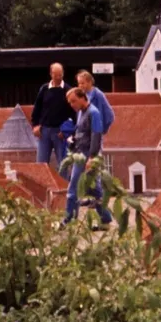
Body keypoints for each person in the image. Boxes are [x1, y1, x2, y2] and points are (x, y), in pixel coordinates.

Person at [63, 87, 113, 226]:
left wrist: (91, 157)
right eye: (70, 102)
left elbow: (96, 136)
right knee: (94, 189)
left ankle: (69, 219)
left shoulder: (94, 113)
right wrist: (72, 139)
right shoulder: (81, 113)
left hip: (87, 155)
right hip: (80, 152)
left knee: (73, 187)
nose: (72, 105)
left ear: (82, 98)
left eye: (73, 101)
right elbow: (81, 131)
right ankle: (106, 218)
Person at [31, 64, 75, 166]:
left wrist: (68, 130)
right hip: (44, 131)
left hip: (60, 132)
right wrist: (35, 125)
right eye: (56, 75)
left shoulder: (68, 90)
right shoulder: (44, 89)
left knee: (63, 164)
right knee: (41, 164)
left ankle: (64, 182)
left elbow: (74, 113)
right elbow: (37, 108)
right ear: (51, 74)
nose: (59, 77)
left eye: (60, 75)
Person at [74, 70, 117, 142]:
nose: (80, 86)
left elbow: (110, 115)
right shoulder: (82, 95)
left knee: (94, 152)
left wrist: (101, 130)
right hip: (82, 134)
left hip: (93, 135)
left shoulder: (98, 95)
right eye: (79, 83)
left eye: (82, 83)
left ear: (90, 82)